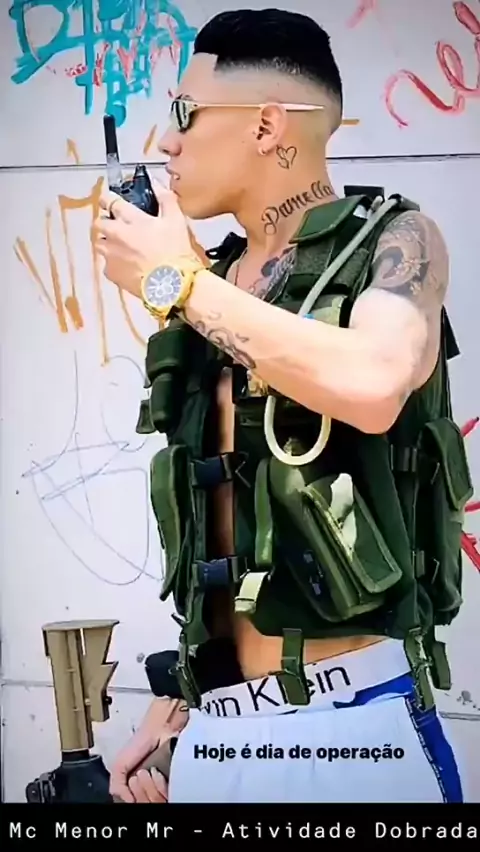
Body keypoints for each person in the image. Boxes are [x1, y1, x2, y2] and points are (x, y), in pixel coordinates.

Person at [95, 9, 472, 804]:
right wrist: (176, 713)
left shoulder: (398, 241)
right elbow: (226, 522)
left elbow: (374, 383)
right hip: (216, 731)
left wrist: (174, 282)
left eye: (185, 112)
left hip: (356, 730)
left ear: (267, 125)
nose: (168, 141)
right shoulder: (212, 281)